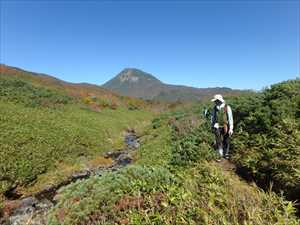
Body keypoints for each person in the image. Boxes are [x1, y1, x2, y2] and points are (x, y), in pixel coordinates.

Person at [210, 94, 233, 160]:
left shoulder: (227, 107)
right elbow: (213, 117)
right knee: (218, 140)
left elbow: (230, 118)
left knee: (226, 140)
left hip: (226, 125)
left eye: (216, 101)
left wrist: (231, 128)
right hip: (217, 126)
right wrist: (212, 125)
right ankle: (220, 154)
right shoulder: (215, 108)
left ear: (219, 100)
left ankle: (226, 153)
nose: (215, 102)